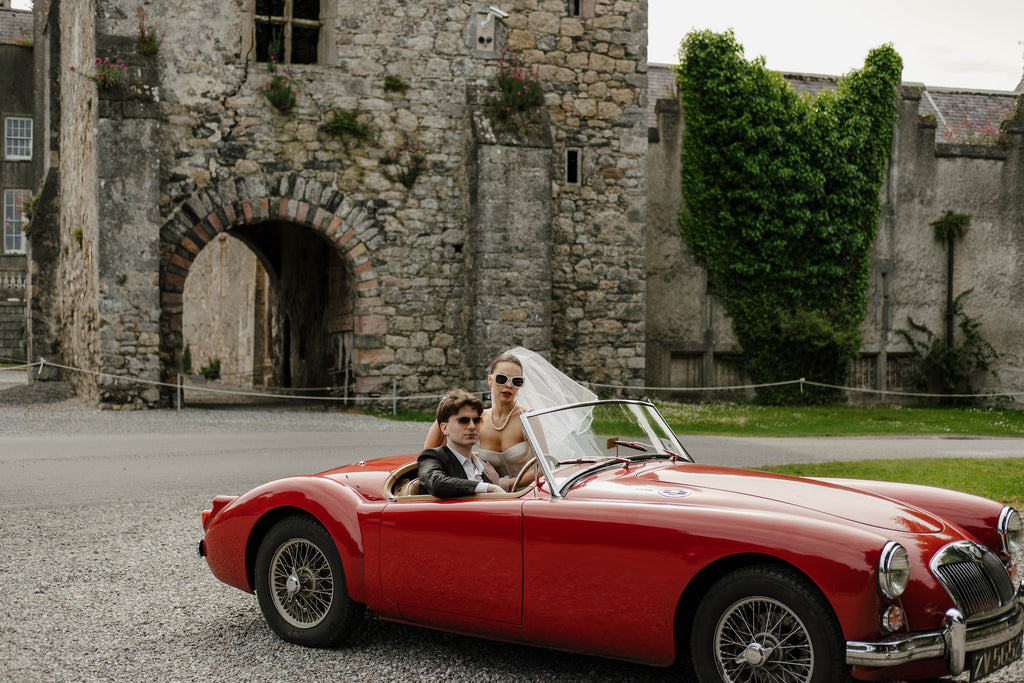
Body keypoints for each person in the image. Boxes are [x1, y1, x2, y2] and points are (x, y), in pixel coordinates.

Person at [423, 347, 597, 482]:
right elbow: (435, 451)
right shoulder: (478, 419)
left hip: (526, 495)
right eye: (501, 379)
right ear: (490, 380)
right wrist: (449, 406)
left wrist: (504, 484)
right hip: (491, 496)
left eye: (516, 381)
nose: (509, 386)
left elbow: (545, 466)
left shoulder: (528, 418)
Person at [418, 388, 507, 498]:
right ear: (444, 428)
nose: (472, 426)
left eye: (476, 420)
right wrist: (488, 488)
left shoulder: (485, 466)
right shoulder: (431, 457)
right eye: (463, 420)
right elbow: (436, 482)